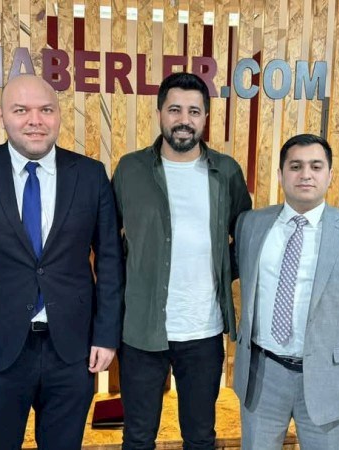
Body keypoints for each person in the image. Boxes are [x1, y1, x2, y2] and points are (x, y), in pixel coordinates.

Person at [0, 74, 123, 449]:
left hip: (72, 352)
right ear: (2, 116)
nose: (35, 120)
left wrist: (106, 335)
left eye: (46, 110)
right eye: (21, 110)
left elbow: (111, 261)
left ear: (58, 115)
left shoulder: (90, 175)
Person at [111, 72, 252, 450]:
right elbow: (109, 243)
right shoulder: (130, 169)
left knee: (201, 438)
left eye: (194, 111)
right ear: (159, 113)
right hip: (142, 332)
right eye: (175, 109)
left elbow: (246, 236)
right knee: (137, 438)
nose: (184, 120)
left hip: (203, 332)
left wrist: (224, 270)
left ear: (205, 117)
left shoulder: (226, 172)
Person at [232, 134, 339, 449]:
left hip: (329, 377)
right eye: (295, 166)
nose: (305, 174)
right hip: (263, 375)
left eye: (316, 166)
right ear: (280, 175)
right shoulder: (251, 224)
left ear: (329, 175)